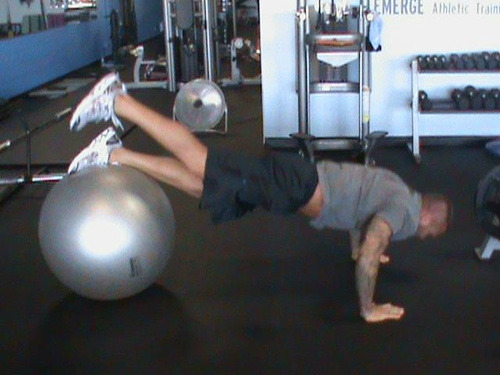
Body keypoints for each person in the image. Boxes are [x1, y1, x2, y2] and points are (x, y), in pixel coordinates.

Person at [68, 72, 453, 324]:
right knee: (202, 160)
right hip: (294, 184)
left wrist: (362, 246)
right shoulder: (403, 213)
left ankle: (115, 153)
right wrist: (369, 307)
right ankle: (119, 99)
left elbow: (363, 219)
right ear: (431, 216)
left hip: (294, 186)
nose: (429, 237)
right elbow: (372, 249)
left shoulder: (397, 189)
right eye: (434, 232)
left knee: (205, 188)